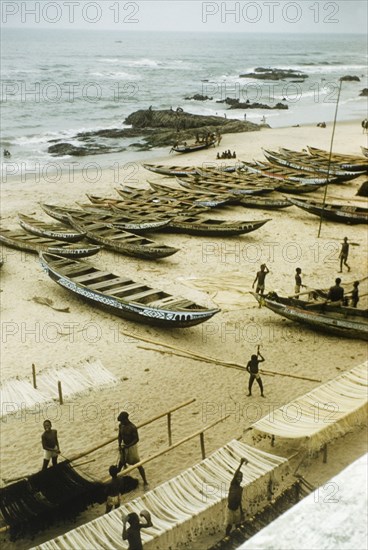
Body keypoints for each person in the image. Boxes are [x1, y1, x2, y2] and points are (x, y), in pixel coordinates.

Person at [117, 411, 148, 486]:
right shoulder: (121, 425)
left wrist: (128, 446)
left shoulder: (132, 427)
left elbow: (136, 439)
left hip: (131, 447)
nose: (121, 422)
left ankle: (145, 481)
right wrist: (119, 445)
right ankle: (116, 478)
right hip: (124, 446)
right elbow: (120, 436)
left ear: (126, 419)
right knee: (121, 462)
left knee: (138, 464)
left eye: (122, 420)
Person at [225, 458, 249, 538]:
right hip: (230, 509)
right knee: (229, 525)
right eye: (238, 477)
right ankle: (226, 536)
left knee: (238, 525)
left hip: (237, 509)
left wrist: (241, 512)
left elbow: (239, 501)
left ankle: (238, 537)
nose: (239, 478)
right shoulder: (233, 485)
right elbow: (235, 474)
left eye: (240, 477)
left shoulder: (240, 489)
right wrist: (241, 464)